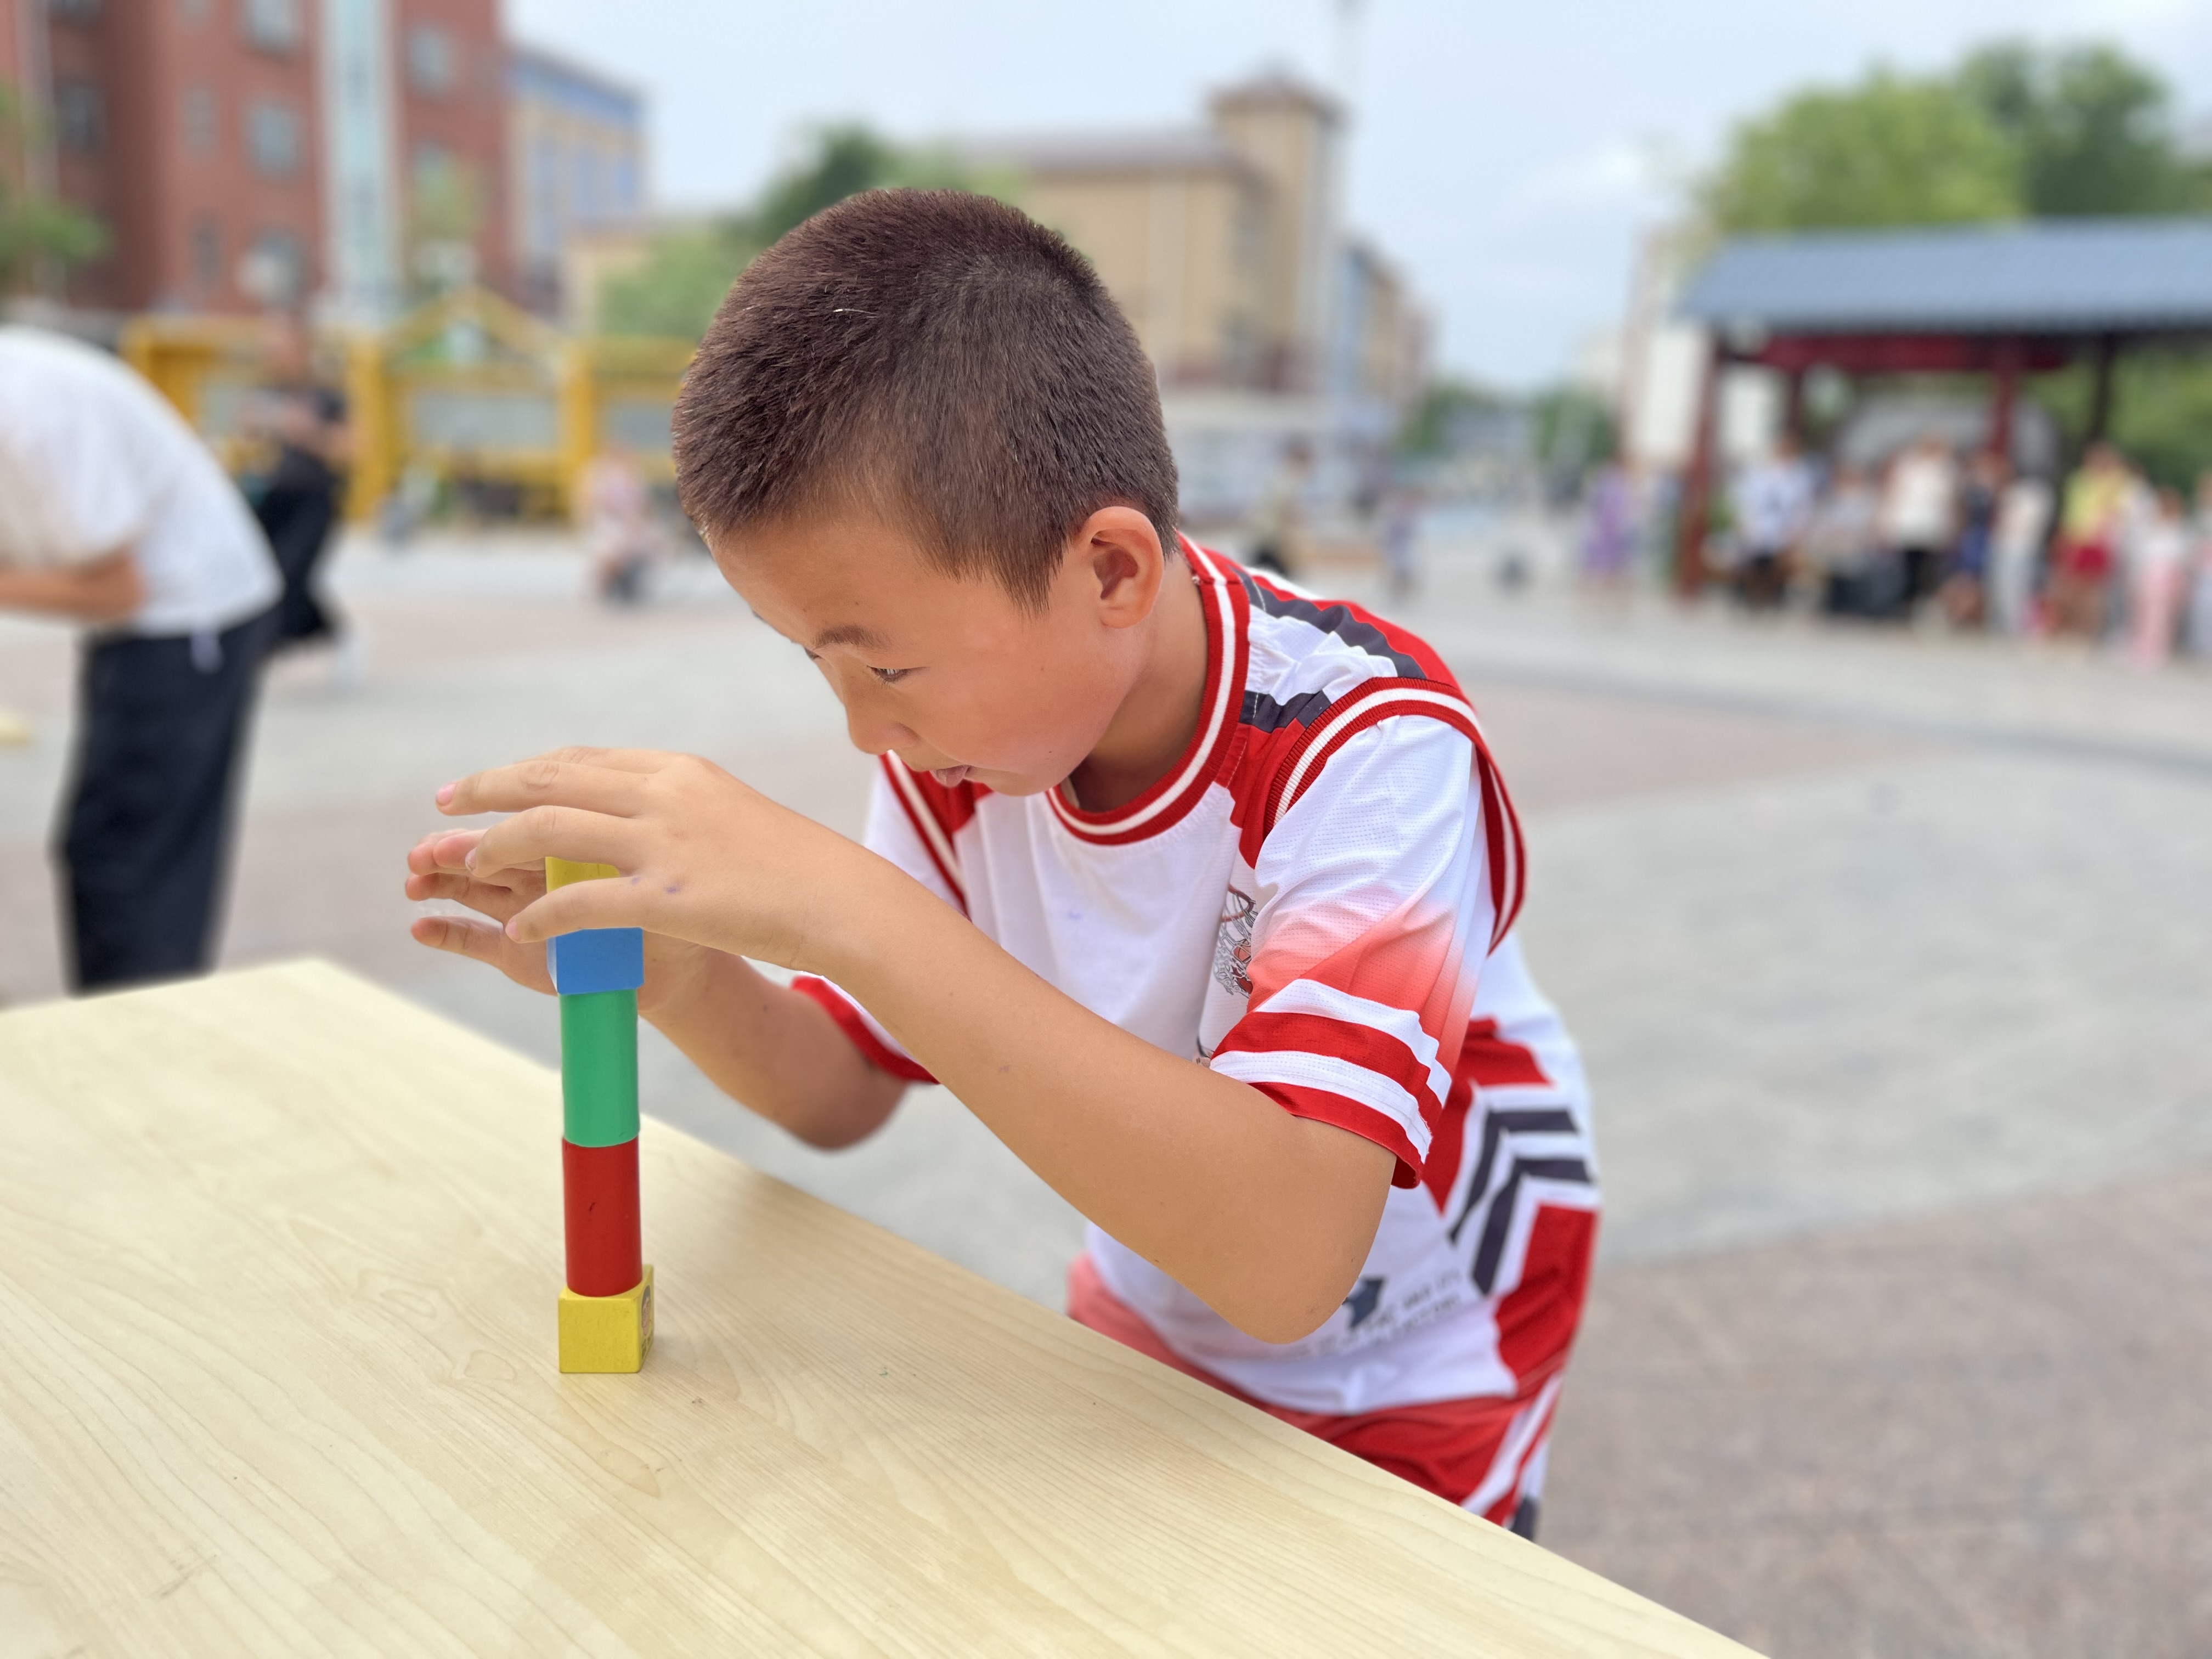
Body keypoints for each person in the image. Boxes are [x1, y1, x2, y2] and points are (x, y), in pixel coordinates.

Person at [403, 191, 1599, 1535]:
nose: (864, 731)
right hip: (1161, 1289)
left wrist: (846, 908)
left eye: (884, 666)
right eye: (816, 662)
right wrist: (682, 975)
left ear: (1110, 572)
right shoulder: (971, 752)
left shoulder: (1365, 746)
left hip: (1433, 1342)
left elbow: (1290, 1255)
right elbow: (846, 1084)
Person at [0, 326, 280, 990]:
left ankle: (141, 1028)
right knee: (105, 847)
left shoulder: (38, 414)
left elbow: (119, 589)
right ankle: (122, 1016)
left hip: (187, 621)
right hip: (147, 624)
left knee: (131, 862)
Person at [247, 315, 352, 664]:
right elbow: (248, 448)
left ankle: (316, 636)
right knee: (259, 569)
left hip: (314, 496)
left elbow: (352, 449)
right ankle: (311, 635)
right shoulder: (267, 393)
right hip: (274, 494)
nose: (272, 355)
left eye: (279, 348)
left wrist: (309, 433)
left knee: (290, 572)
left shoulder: (326, 396)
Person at [2048, 442, 2137, 640]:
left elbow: (2118, 509)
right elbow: (2071, 512)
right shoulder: (2079, 481)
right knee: (2071, 587)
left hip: (2098, 542)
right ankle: (2070, 627)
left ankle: (2089, 630)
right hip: (2077, 539)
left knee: (2094, 590)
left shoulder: (2115, 482)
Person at [1876, 435, 1959, 620]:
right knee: (1909, 568)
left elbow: (1949, 501)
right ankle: (1907, 604)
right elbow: (1895, 495)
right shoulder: (1909, 466)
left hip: (1933, 527)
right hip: (1910, 525)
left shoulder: (1946, 469)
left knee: (1929, 570)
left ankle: (1921, 606)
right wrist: (1886, 520)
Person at [1729, 433, 1815, 610]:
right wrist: (1742, 520)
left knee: (1776, 564)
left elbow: (1802, 505)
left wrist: (1797, 528)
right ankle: (1747, 595)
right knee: (1753, 561)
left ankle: (1773, 596)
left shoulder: (1799, 477)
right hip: (1758, 523)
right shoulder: (1759, 472)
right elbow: (1744, 498)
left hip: (1782, 526)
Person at [578, 443, 662, 604]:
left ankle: (628, 584)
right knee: (615, 548)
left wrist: (638, 520)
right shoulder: (598, 474)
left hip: (632, 523)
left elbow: (643, 505)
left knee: (647, 543)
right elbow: (594, 505)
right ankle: (606, 585)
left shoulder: (634, 474)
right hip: (609, 523)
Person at [1939, 449, 2006, 630]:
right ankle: (1959, 614)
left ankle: (1972, 616)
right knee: (1963, 579)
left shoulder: (1995, 489)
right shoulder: (1967, 488)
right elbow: (1959, 514)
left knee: (1977, 580)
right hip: (1969, 537)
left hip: (1984, 537)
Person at [2124, 484, 2190, 668]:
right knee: (2141, 612)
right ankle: (2140, 645)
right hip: (2148, 573)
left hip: (2164, 576)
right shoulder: (2150, 526)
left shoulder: (2177, 528)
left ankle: (2156, 648)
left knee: (2159, 616)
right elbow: (2141, 550)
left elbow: (2179, 556)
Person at [1803, 464, 1881, 618]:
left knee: (1853, 565)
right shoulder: (1831, 500)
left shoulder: (1867, 500)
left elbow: (1868, 526)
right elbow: (1821, 524)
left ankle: (1852, 605)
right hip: (1831, 545)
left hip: (1856, 545)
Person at [1987, 470, 2055, 637]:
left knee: (2023, 589)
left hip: (2025, 548)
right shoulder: (2013, 492)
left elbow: (2033, 524)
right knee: (2002, 588)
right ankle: (2006, 625)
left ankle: (2022, 626)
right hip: (2006, 546)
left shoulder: (2040, 495)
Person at [1248, 438, 1312, 577]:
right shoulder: (1288, 478)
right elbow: (1286, 509)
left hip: (1266, 535)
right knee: (1274, 576)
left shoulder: (1281, 476)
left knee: (1261, 574)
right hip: (1271, 537)